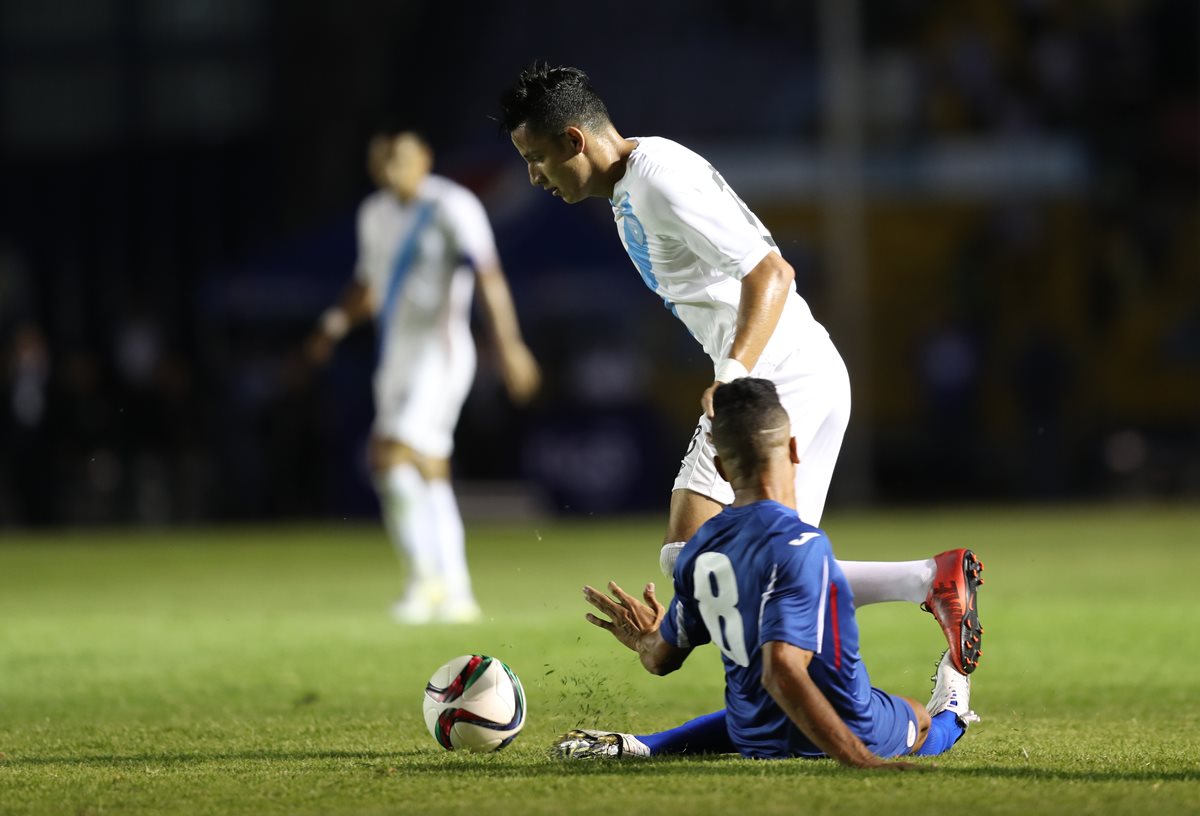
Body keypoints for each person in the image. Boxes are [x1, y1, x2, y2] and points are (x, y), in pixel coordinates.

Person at [498, 64, 982, 753]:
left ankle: (907, 625)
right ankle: (929, 584)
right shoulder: (634, 185)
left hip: (775, 378)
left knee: (687, 551)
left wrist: (732, 372)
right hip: (798, 370)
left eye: (536, 158)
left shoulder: (658, 178)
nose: (534, 177)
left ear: (574, 139)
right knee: (771, 578)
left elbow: (771, 272)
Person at [564, 378, 979, 763]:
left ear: (724, 471)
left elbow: (660, 661)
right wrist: (858, 758)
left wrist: (645, 640)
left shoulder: (696, 552)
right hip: (848, 730)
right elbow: (781, 670)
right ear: (795, 449)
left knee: (760, 702)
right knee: (915, 717)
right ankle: (955, 713)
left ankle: (646, 745)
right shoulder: (806, 545)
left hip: (752, 736)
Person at [307, 129, 540, 624]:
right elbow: (369, 285)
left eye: (402, 161)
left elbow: (489, 277)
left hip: (442, 353)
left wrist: (510, 345)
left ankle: (424, 581)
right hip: (396, 357)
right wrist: (333, 324)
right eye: (384, 163)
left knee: (388, 455)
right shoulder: (374, 213)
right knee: (428, 467)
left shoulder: (452, 206)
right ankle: (455, 589)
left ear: (424, 160)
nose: (393, 172)